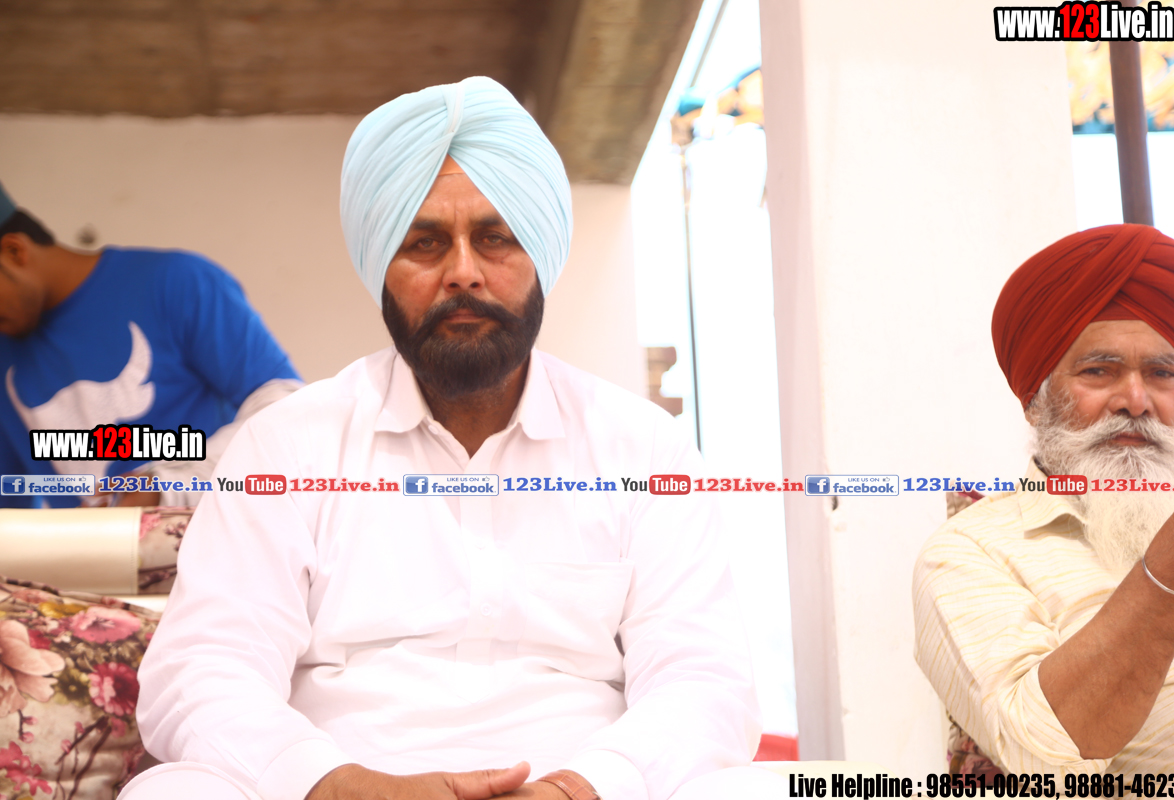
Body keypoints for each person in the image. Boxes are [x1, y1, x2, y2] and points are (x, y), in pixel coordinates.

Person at [123, 77, 771, 800]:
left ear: (540, 255)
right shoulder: (286, 447)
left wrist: (575, 789)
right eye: (425, 243)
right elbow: (203, 669)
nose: (463, 273)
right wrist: (341, 785)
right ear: (383, 269)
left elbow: (702, 678)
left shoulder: (642, 449)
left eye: (495, 238)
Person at [913, 224, 1174, 776]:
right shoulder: (969, 551)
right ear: (1034, 400)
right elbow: (1046, 763)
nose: (1135, 400)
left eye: (1162, 374)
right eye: (1099, 372)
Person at [0, 183, 302, 507]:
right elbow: (11, 504)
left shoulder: (175, 282)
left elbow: (286, 408)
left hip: (216, 530)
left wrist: (169, 488)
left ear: (15, 252)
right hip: (89, 542)